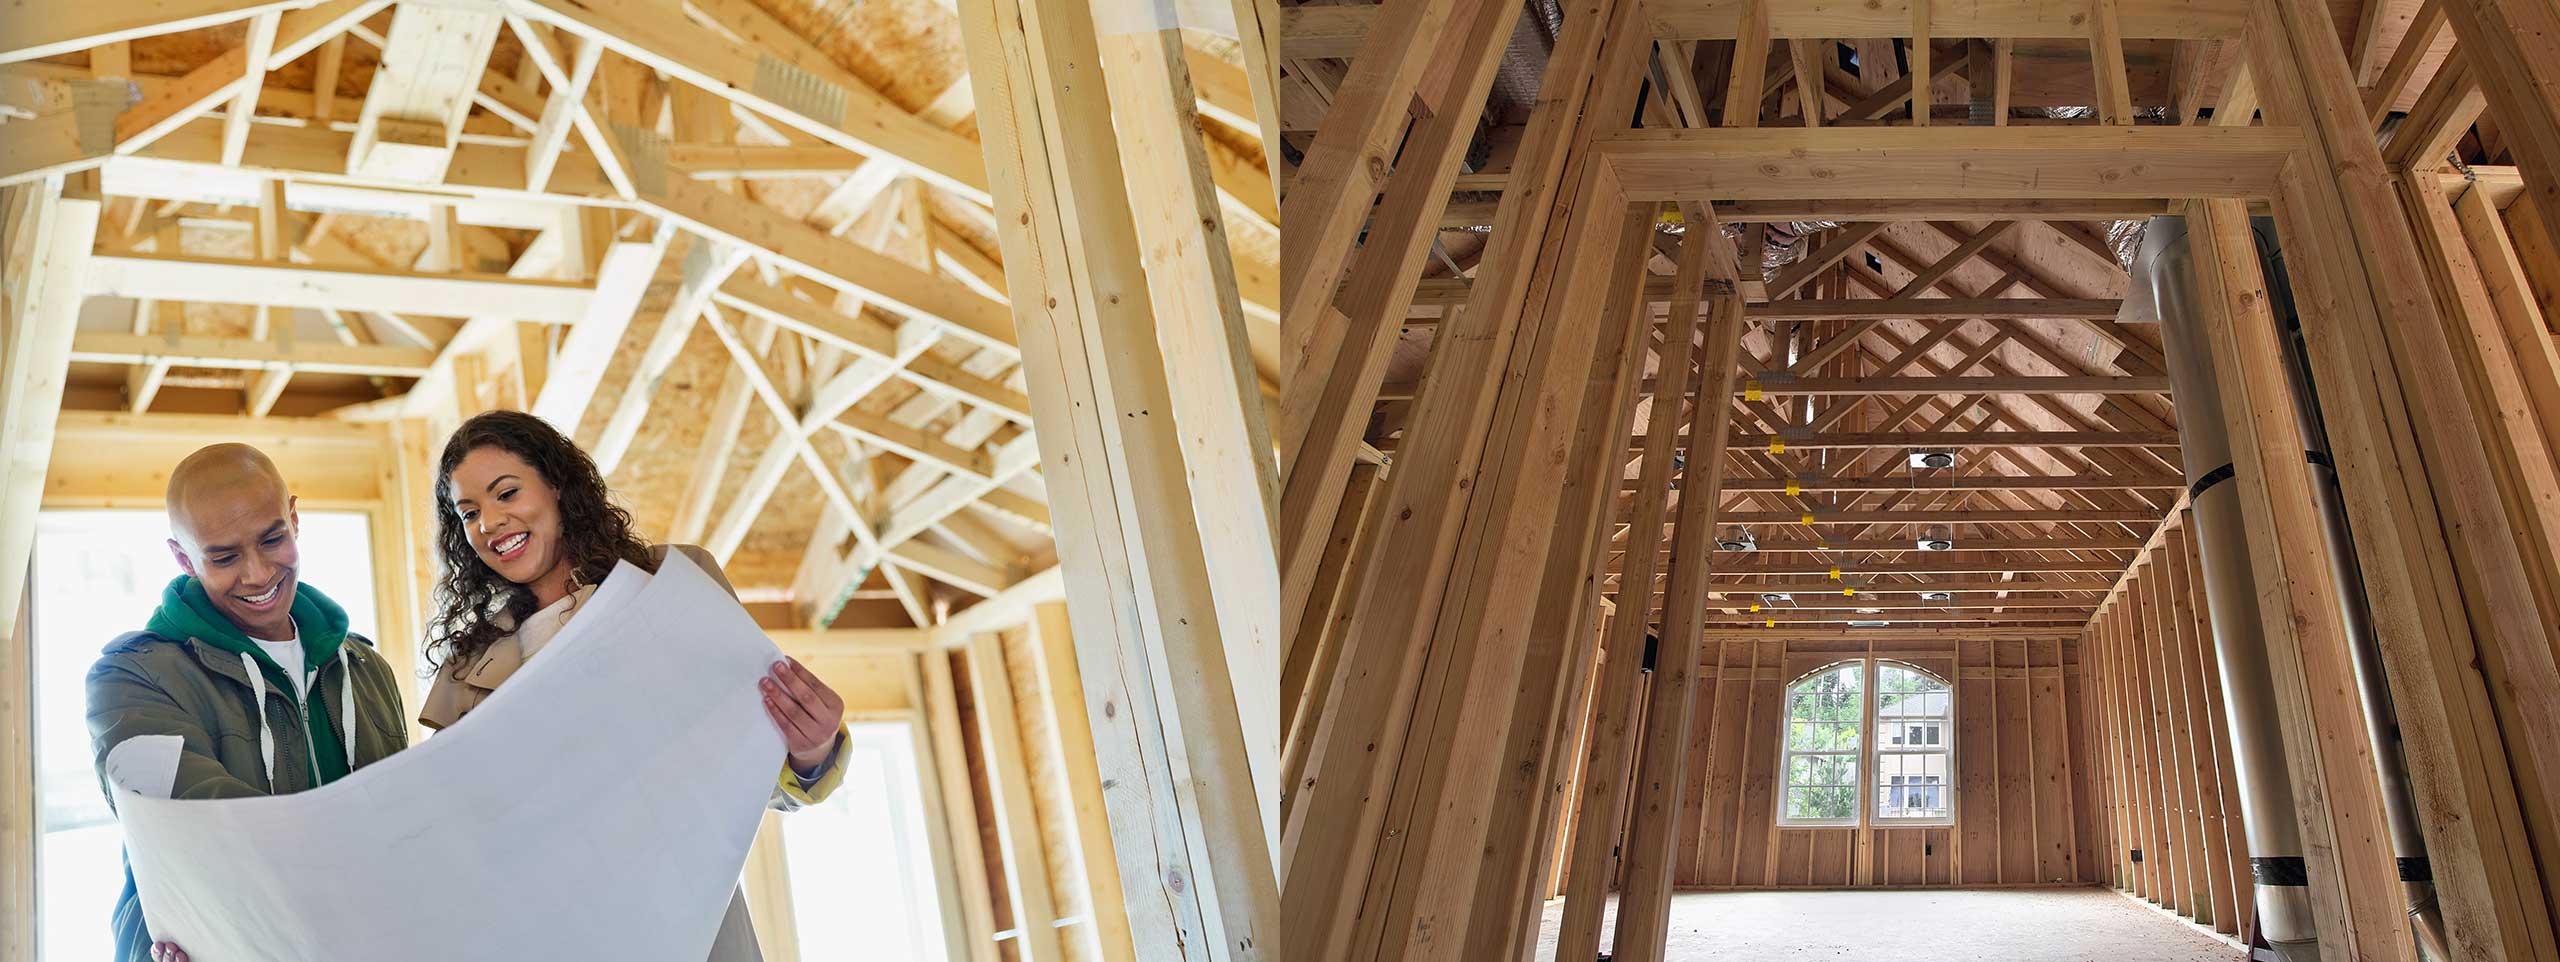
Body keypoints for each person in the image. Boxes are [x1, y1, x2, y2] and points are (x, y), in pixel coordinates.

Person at [414, 409, 850, 961]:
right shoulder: (467, 670)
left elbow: (744, 768)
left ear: (557, 485)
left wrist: (811, 751)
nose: (490, 522)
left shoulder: (673, 589)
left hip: (689, 919)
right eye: (469, 512)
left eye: (507, 493)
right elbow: (459, 828)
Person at [84, 444, 411, 962]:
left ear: (295, 519)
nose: (258, 574)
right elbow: (200, 831)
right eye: (223, 556)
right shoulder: (132, 676)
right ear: (183, 557)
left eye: (272, 539)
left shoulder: (367, 669)